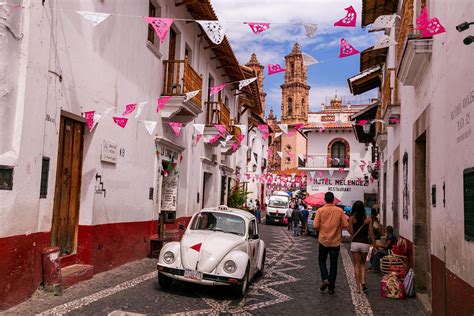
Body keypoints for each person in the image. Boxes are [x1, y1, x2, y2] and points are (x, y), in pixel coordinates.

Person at [314, 192, 349, 295]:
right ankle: (331, 288)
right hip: (335, 242)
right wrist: (337, 226)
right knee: (334, 264)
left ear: (325, 199)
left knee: (321, 260)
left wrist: (323, 227)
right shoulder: (339, 211)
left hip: (323, 241)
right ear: (333, 200)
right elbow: (346, 224)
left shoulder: (320, 210)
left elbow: (315, 226)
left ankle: (325, 278)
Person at [348, 201, 375, 294]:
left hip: (355, 243)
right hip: (365, 243)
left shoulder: (351, 219)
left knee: (356, 265)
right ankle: (363, 282)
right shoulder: (368, 219)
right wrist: (374, 244)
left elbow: (351, 232)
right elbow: (371, 233)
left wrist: (350, 228)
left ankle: (357, 287)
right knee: (363, 264)